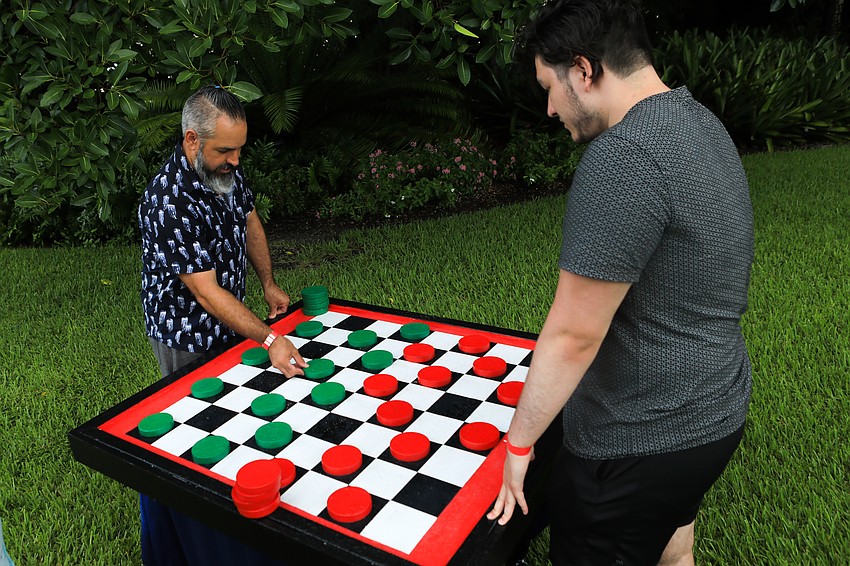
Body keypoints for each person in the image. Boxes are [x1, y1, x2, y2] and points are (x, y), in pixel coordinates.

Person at [487, 1, 754, 565]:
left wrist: (518, 444)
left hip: (642, 438)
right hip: (715, 408)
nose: (551, 108)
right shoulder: (698, 120)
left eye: (549, 88)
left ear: (584, 70)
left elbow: (572, 335)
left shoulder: (625, 158)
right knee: (672, 547)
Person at [137, 85, 306, 565]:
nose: (235, 160)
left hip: (235, 321)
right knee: (201, 433)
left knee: (245, 419)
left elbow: (249, 221)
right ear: (192, 141)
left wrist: (269, 285)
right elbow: (206, 292)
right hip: (184, 333)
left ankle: (246, 513)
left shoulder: (226, 170)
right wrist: (270, 337)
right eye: (225, 150)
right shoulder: (166, 199)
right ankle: (205, 534)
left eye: (240, 149)